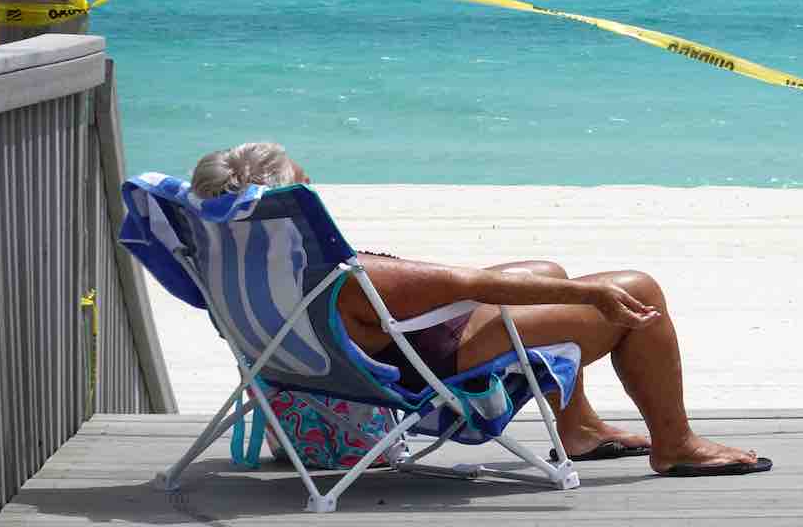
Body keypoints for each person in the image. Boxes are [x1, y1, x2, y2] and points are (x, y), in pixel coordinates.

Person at [191, 142, 771, 477]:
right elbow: (465, 282)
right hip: (434, 360)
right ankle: (676, 446)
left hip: (368, 350)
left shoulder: (238, 264)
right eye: (305, 183)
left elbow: (445, 287)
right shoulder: (340, 273)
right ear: (289, 202)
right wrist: (593, 297)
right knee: (638, 288)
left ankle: (582, 429)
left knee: (544, 270)